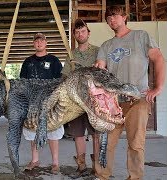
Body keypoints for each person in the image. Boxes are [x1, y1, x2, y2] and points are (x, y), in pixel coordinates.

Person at [94, 5, 166, 180]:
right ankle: (102, 176)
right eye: (108, 18)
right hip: (113, 103)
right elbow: (100, 68)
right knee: (105, 143)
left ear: (124, 17)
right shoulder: (106, 45)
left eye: (115, 16)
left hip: (137, 100)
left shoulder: (141, 36)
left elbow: (158, 59)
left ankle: (134, 177)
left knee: (135, 143)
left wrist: (158, 87)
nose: (112, 20)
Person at [61, 18, 102, 179]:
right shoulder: (71, 55)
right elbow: (64, 76)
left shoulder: (99, 51)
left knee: (96, 134)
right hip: (76, 101)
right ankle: (81, 166)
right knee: (78, 134)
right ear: (74, 35)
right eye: (77, 32)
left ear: (88, 33)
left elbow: (104, 73)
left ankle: (97, 167)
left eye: (83, 31)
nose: (80, 34)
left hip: (94, 101)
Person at [20, 32, 64, 175]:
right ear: (33, 43)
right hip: (32, 103)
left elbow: (60, 81)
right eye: (36, 41)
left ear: (46, 43)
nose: (39, 43)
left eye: (41, 40)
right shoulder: (28, 62)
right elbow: (22, 83)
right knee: (32, 132)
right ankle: (35, 160)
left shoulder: (54, 60)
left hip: (51, 103)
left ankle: (55, 163)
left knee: (53, 132)